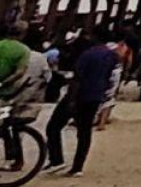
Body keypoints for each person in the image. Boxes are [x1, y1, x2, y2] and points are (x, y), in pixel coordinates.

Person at [46, 30, 118, 177]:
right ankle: (78, 167)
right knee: (84, 131)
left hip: (80, 95)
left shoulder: (87, 55)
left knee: (53, 126)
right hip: (96, 95)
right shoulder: (111, 55)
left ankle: (56, 159)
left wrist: (72, 99)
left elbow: (77, 78)